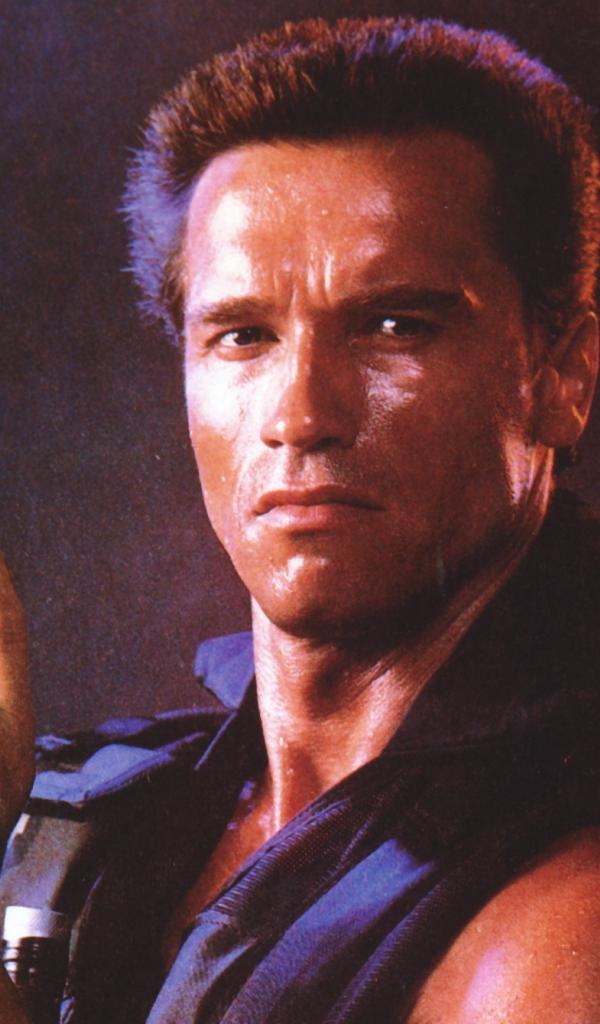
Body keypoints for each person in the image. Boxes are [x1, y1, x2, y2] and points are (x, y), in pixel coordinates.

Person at [1, 14, 600, 1023]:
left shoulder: (566, 908)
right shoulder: (109, 807)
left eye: (395, 326)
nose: (301, 414)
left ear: (563, 376)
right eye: (243, 335)